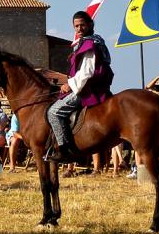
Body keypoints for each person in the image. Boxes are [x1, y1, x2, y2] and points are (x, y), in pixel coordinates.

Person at [45, 10, 114, 163]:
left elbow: (87, 72)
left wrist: (69, 84)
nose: (79, 29)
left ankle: (65, 150)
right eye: (76, 26)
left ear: (90, 24)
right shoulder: (88, 42)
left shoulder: (89, 44)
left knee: (53, 112)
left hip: (88, 89)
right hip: (88, 86)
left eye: (82, 25)